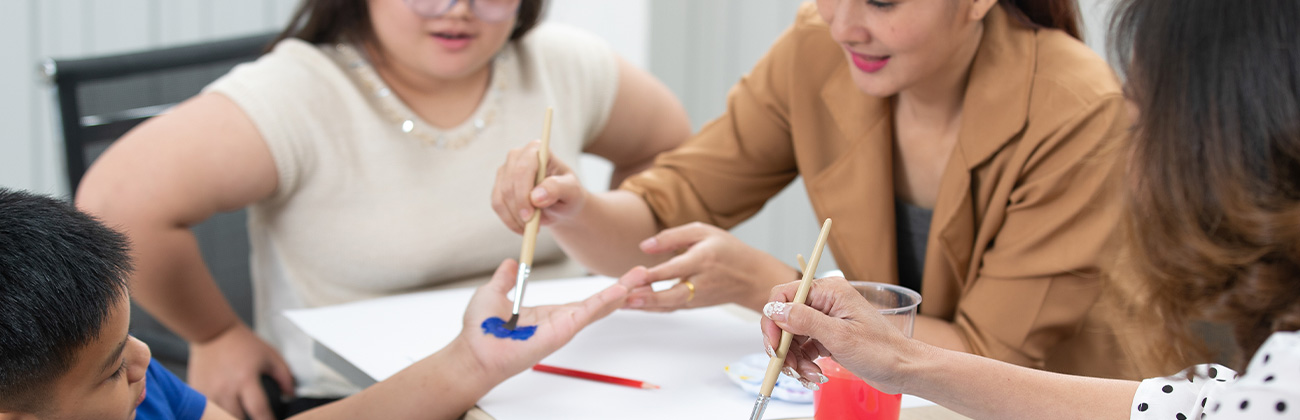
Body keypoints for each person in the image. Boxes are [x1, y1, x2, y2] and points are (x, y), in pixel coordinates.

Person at [75, 0, 690, 417]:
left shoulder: (563, 61)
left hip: (573, 376)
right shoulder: (298, 92)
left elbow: (671, 150)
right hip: (375, 397)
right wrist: (214, 333)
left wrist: (593, 222)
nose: (458, 9)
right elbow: (113, 202)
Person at [495, 0, 1133, 378]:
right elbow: (660, 222)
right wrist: (573, 209)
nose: (844, 26)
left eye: (883, 0)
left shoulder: (1078, 108)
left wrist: (765, 288)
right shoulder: (816, 48)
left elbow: (992, 361)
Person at [758, 0, 1300, 418]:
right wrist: (899, 361)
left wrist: (754, 277)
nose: (843, 25)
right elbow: (1188, 406)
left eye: (1139, 126)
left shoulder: (1074, 105)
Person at [0, 188, 640, 420]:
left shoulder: (144, 389)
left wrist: (470, 363)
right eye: (113, 368)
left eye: (130, 339)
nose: (146, 358)